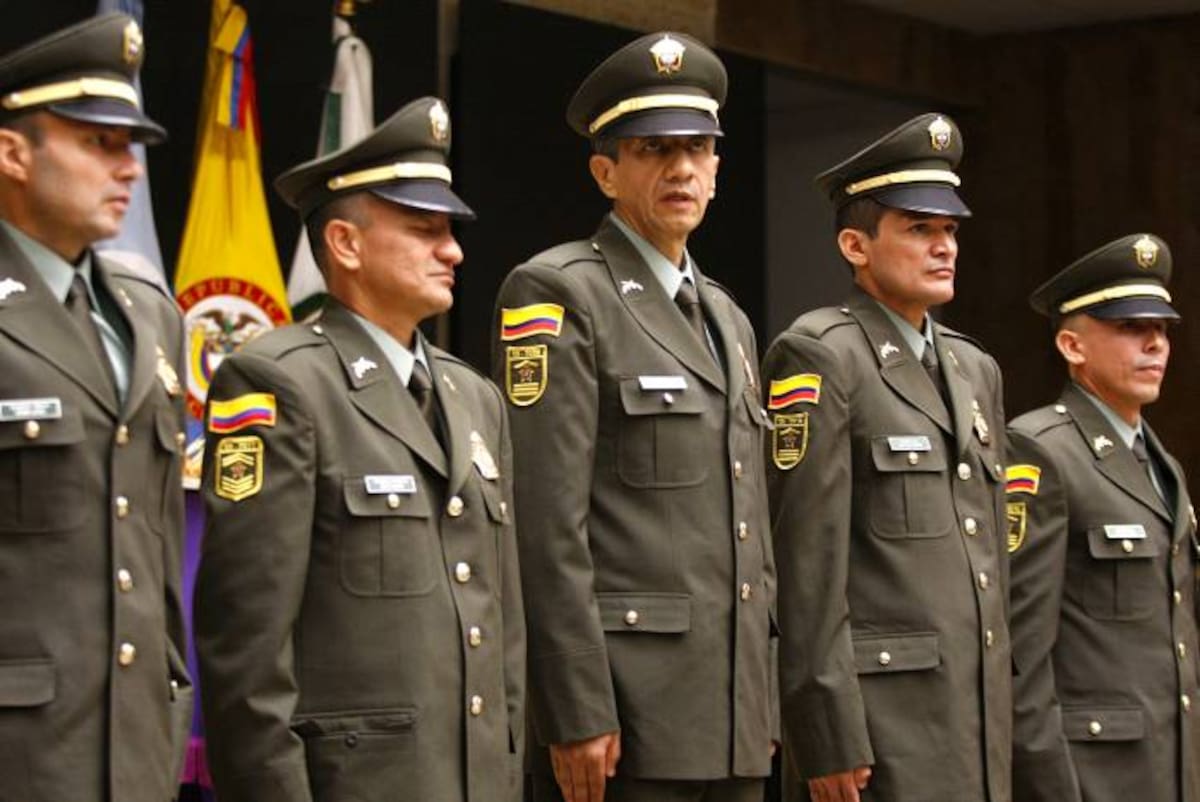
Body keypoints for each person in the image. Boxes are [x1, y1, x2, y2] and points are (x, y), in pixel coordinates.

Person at [194, 97, 525, 802]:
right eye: (424, 229)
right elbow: (246, 643)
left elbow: (504, 625)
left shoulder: (475, 397)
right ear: (345, 243)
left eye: (451, 230)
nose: (453, 250)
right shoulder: (279, 383)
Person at [492, 31, 777, 802]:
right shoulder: (559, 292)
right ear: (606, 172)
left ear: (717, 168)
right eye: (654, 149)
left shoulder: (727, 317)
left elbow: (750, 527)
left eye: (698, 148)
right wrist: (574, 707)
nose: (682, 168)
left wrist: (764, 696)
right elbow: (545, 523)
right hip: (626, 717)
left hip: (733, 717)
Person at [763, 114, 1011, 801]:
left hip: (973, 719)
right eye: (919, 229)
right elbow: (806, 565)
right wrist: (825, 732)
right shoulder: (821, 354)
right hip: (879, 729)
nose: (944, 246)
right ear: (856, 245)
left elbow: (990, 566)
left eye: (950, 230)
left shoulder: (974, 368)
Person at [0, 13, 189, 802]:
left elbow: (155, 539)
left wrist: (171, 693)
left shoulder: (151, 316)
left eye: (131, 146)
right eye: (97, 143)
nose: (129, 170)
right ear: (13, 153)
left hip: (135, 747)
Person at [1007, 234, 1200, 802]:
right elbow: (1020, 657)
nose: (1155, 344)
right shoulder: (1041, 450)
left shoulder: (1162, 465)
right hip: (1092, 777)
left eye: (1161, 329)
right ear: (1072, 344)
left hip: (1168, 771)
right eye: (1131, 327)